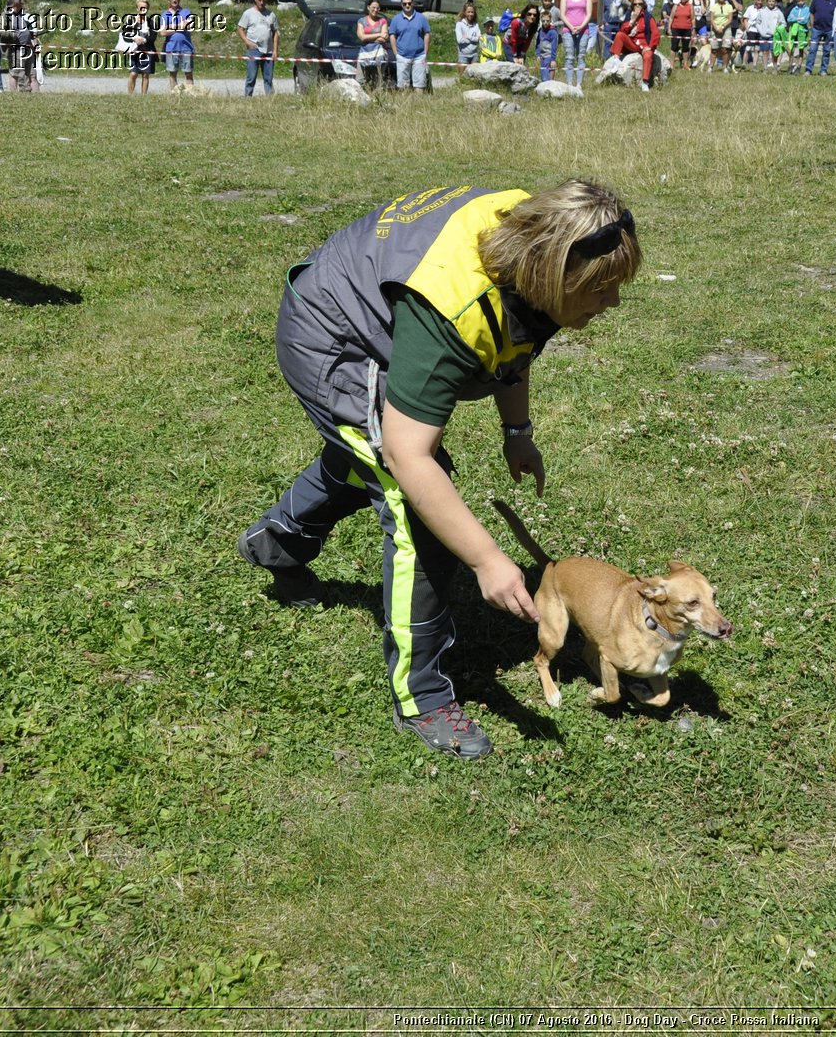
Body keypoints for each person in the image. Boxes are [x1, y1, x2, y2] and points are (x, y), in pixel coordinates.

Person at [237, 181, 641, 762]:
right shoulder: (452, 305)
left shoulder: (531, 249)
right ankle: (422, 695)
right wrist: (486, 559)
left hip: (381, 311)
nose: (612, 304)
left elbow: (516, 338)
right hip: (333, 338)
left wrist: (517, 431)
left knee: (364, 458)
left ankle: (275, 543)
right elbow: (409, 455)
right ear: (557, 273)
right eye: (602, 288)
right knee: (413, 501)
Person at [610, 0, 658, 89]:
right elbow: (623, 31)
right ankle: (616, 60)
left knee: (648, 55)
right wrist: (632, 21)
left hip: (644, 45)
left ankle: (645, 83)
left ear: (643, 5)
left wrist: (650, 46)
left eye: (640, 4)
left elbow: (655, 34)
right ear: (632, 6)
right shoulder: (629, 15)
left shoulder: (648, 17)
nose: (637, 6)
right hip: (632, 44)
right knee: (619, 35)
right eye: (635, 4)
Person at [237, 0, 278, 95]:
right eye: (259, 0)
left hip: (268, 50)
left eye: (264, 0)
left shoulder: (271, 15)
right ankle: (248, 96)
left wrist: (275, 50)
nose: (261, 2)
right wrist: (247, 42)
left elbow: (275, 32)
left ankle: (270, 98)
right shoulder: (248, 13)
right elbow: (240, 29)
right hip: (254, 49)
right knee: (251, 76)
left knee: (268, 78)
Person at [389, 0, 429, 91]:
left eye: (409, 3)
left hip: (419, 56)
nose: (407, 5)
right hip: (402, 56)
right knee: (402, 87)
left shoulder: (421, 18)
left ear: (413, 3)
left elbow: (427, 34)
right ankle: (405, 105)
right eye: (405, 4)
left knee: (419, 86)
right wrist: (396, 53)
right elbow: (392, 35)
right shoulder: (396, 19)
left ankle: (418, 105)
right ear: (401, 5)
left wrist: (425, 53)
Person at [160, 0, 195, 90]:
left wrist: (170, 27)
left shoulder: (186, 12)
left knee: (188, 73)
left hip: (186, 47)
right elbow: (162, 32)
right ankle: (175, 94)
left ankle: (190, 94)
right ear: (168, 0)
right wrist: (180, 25)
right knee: (172, 73)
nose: (174, 0)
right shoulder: (165, 14)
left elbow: (189, 26)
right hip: (171, 47)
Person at [2, 0, 37, 91]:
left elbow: (32, 30)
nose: (20, 6)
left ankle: (31, 92)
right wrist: (11, 35)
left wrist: (34, 40)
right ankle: (24, 91)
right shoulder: (6, 17)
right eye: (18, 5)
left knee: (31, 73)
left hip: (28, 48)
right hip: (16, 49)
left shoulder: (24, 15)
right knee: (18, 73)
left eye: (20, 4)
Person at [561, 0, 591, 86]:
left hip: (583, 30)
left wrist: (581, 27)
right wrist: (571, 26)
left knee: (581, 56)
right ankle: (569, 84)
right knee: (569, 56)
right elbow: (562, 14)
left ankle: (579, 85)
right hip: (568, 30)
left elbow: (589, 14)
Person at [123, 0, 156, 94]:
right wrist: (134, 38)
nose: (143, 10)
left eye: (145, 8)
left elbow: (153, 37)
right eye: (141, 7)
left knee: (145, 75)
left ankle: (143, 96)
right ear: (137, 8)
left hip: (147, 51)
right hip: (134, 51)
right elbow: (125, 36)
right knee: (133, 74)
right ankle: (130, 95)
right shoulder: (130, 21)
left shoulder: (151, 22)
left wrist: (144, 40)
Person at [357, 0, 391, 88]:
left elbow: (384, 38)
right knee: (361, 80)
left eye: (378, 8)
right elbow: (361, 37)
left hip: (379, 53)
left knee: (378, 80)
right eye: (373, 7)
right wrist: (379, 34)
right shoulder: (361, 21)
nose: (375, 10)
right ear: (368, 7)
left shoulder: (383, 21)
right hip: (364, 53)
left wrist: (367, 38)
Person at [807, 0, 836, 75]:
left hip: (829, 29)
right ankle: (808, 70)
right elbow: (811, 12)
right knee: (812, 50)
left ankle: (823, 70)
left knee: (827, 51)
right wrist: (812, 25)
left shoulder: (835, 1)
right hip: (816, 28)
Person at [707, 0, 734, 70]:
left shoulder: (729, 6)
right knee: (714, 49)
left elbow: (730, 19)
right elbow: (711, 19)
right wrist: (716, 27)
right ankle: (711, 67)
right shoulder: (713, 6)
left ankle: (724, 67)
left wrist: (722, 27)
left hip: (726, 29)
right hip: (715, 29)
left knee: (725, 49)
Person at [670, 0, 693, 68]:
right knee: (674, 46)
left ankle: (685, 64)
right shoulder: (676, 6)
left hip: (687, 29)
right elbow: (671, 18)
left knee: (685, 47)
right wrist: (669, 28)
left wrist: (693, 29)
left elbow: (693, 19)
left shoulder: (690, 6)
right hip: (676, 29)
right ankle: (671, 64)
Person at [536, 10, 559, 79]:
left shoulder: (553, 32)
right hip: (542, 57)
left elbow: (554, 46)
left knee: (546, 78)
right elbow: (538, 43)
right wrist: (538, 54)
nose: (545, 23)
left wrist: (553, 59)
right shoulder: (540, 30)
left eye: (547, 21)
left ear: (550, 20)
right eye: (543, 21)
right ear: (541, 20)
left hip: (549, 57)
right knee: (542, 76)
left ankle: (548, 87)